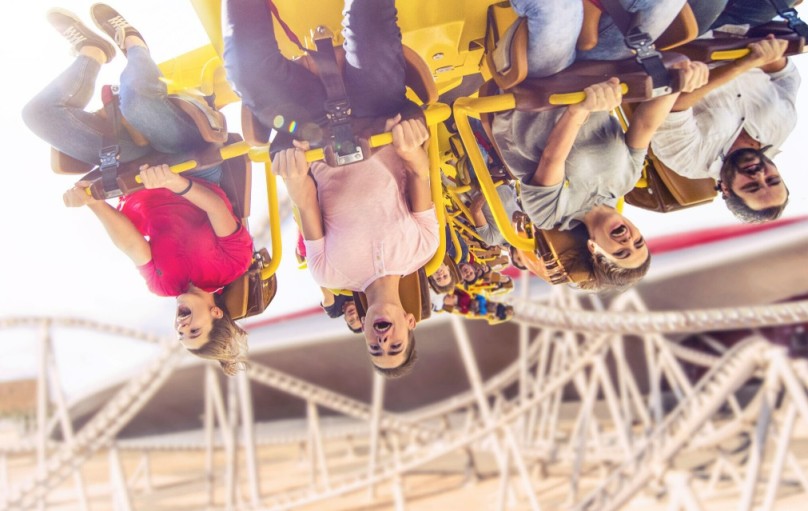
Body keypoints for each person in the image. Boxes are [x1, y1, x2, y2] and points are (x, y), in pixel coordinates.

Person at [22, 4, 253, 375]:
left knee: (37, 115)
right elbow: (216, 209)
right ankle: (132, 42)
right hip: (188, 161)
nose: (181, 327)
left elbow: (132, 244)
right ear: (215, 313)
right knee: (136, 103)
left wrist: (93, 203)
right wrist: (176, 182)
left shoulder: (163, 287)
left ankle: (91, 53)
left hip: (133, 173)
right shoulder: (231, 265)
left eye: (181, 334)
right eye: (194, 329)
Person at [223, 0, 439, 378]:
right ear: (409, 321)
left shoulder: (330, 274)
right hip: (376, 115)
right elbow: (421, 177)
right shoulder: (422, 248)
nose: (382, 341)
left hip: (315, 129)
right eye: (394, 346)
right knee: (371, 29)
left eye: (375, 349)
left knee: (245, 70)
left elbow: (307, 205)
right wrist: (410, 149)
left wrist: (293, 177)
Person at [491, 0, 708, 291]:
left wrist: (580, 109)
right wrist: (678, 82)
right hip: (593, 73)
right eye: (638, 242)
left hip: (541, 87)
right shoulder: (626, 182)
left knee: (559, 6)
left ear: (594, 250)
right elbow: (645, 126)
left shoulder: (551, 216)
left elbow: (552, 158)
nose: (628, 240)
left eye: (621, 253)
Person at [651, 26, 798, 223]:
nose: (760, 175)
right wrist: (768, 51)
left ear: (727, 190)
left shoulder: (689, 161)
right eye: (772, 180)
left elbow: (672, 106)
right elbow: (785, 76)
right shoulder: (782, 126)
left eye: (751, 187)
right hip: (745, 31)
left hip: (681, 39)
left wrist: (744, 64)